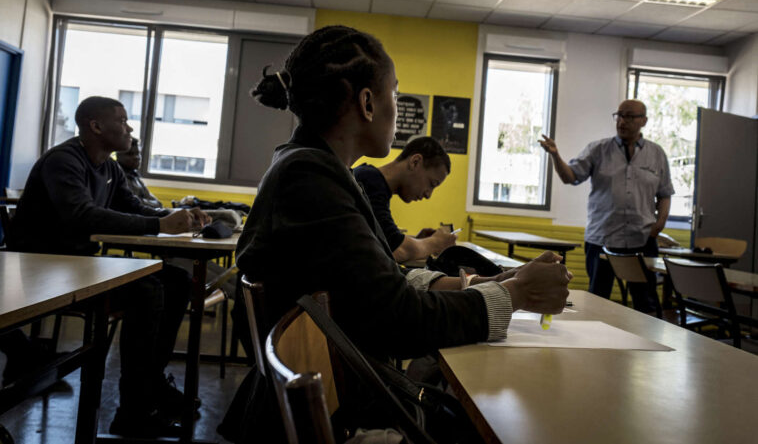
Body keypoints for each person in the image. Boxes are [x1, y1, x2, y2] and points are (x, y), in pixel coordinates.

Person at [229, 25, 570, 440]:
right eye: (395, 92)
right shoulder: (309, 176)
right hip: (346, 409)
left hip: (343, 384)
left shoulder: (316, 167)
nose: (397, 103)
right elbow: (398, 320)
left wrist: (492, 282)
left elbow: (378, 279)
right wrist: (518, 296)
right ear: (368, 103)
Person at [5, 96, 211, 437]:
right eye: (123, 120)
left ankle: (150, 385)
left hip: (77, 266)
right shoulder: (64, 160)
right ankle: (133, 409)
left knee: (177, 281)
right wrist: (161, 226)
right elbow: (80, 215)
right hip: (40, 269)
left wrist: (177, 218)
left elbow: (134, 208)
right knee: (147, 290)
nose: (130, 128)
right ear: (95, 126)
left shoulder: (110, 167)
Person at [539, 99, 674, 312]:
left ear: (644, 121)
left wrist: (660, 223)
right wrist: (556, 155)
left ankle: (646, 343)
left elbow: (665, 193)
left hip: (642, 239)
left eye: (629, 116)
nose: (622, 121)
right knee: (597, 299)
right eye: (619, 115)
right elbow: (570, 177)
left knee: (645, 303)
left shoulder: (657, 154)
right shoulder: (598, 149)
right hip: (602, 238)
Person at [353, 136, 456, 263]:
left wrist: (417, 241)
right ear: (415, 162)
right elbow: (397, 251)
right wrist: (436, 242)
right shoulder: (370, 181)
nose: (428, 195)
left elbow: (382, 241)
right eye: (431, 184)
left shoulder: (371, 179)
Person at [116, 137, 163, 208]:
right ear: (118, 156)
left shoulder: (135, 177)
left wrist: (140, 201)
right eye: (130, 154)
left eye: (138, 153)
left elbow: (158, 203)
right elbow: (130, 204)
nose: (137, 157)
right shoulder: (116, 176)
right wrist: (142, 201)